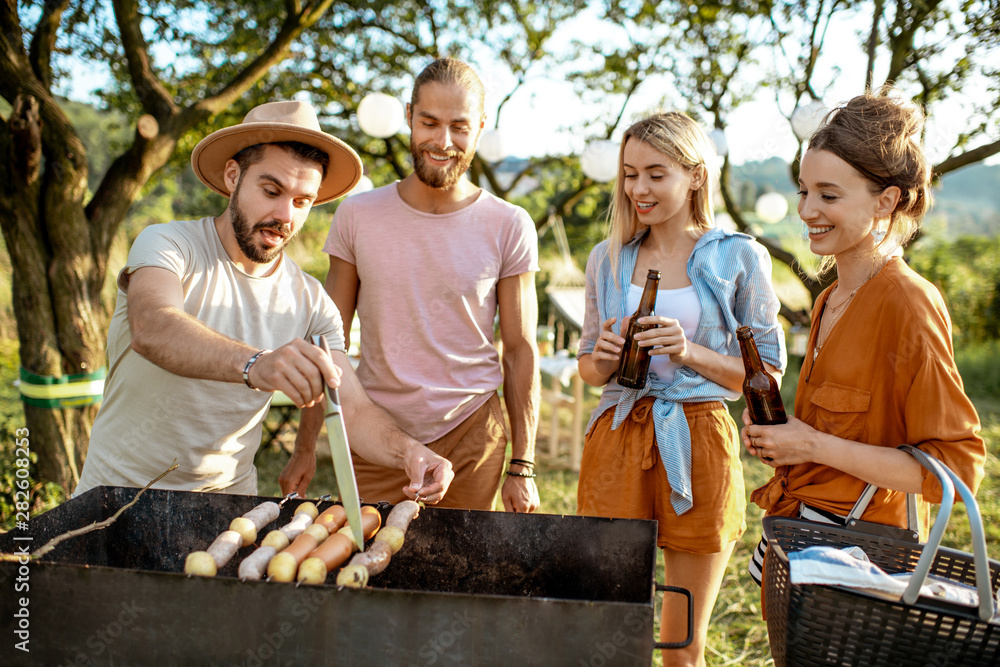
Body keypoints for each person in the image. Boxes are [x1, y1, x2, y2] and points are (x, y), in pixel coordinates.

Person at [75, 100, 454, 504]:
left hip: (230, 505)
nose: (284, 215)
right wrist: (257, 364)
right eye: (271, 191)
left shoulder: (312, 302)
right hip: (114, 496)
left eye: (302, 201)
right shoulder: (168, 244)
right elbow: (153, 327)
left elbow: (355, 411)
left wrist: (410, 451)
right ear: (233, 175)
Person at [744, 88, 985, 585]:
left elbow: (956, 474)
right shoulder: (828, 299)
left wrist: (810, 445)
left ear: (887, 200)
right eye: (804, 192)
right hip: (795, 542)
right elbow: (840, 431)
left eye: (829, 196)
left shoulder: (907, 302)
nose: (808, 210)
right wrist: (782, 438)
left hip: (861, 563)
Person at [576, 111, 786, 665]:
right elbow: (588, 370)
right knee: (606, 629)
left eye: (655, 174)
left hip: (698, 437)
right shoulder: (608, 258)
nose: (638, 189)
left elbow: (763, 378)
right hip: (619, 435)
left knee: (681, 644)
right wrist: (600, 358)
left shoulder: (737, 256)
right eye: (629, 174)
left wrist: (686, 349)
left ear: (695, 175)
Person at [293, 58, 541, 512]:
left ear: (481, 127)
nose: (443, 142)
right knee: (371, 567)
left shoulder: (510, 224)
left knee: (463, 575)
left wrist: (522, 465)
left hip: (473, 436)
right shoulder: (358, 215)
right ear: (409, 116)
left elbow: (521, 348)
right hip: (376, 435)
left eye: (459, 127)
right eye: (429, 122)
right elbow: (327, 339)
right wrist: (305, 445)